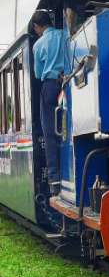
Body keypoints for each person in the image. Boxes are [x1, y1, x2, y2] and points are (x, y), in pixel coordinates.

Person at [31, 10, 64, 195]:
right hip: (68, 84)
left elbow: (37, 73)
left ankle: (55, 179)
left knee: (50, 133)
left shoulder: (38, 45)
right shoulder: (64, 34)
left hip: (50, 86)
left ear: (37, 27)